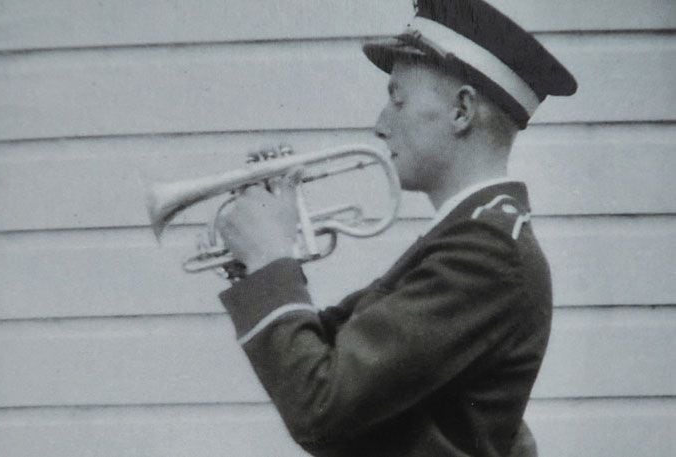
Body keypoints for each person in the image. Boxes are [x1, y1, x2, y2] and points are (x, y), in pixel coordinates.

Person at [216, 1, 577, 456]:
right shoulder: (467, 240)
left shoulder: (485, 254)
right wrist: (254, 262)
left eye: (397, 98)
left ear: (462, 110)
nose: (380, 124)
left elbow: (319, 407)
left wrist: (271, 261)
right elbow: (329, 351)